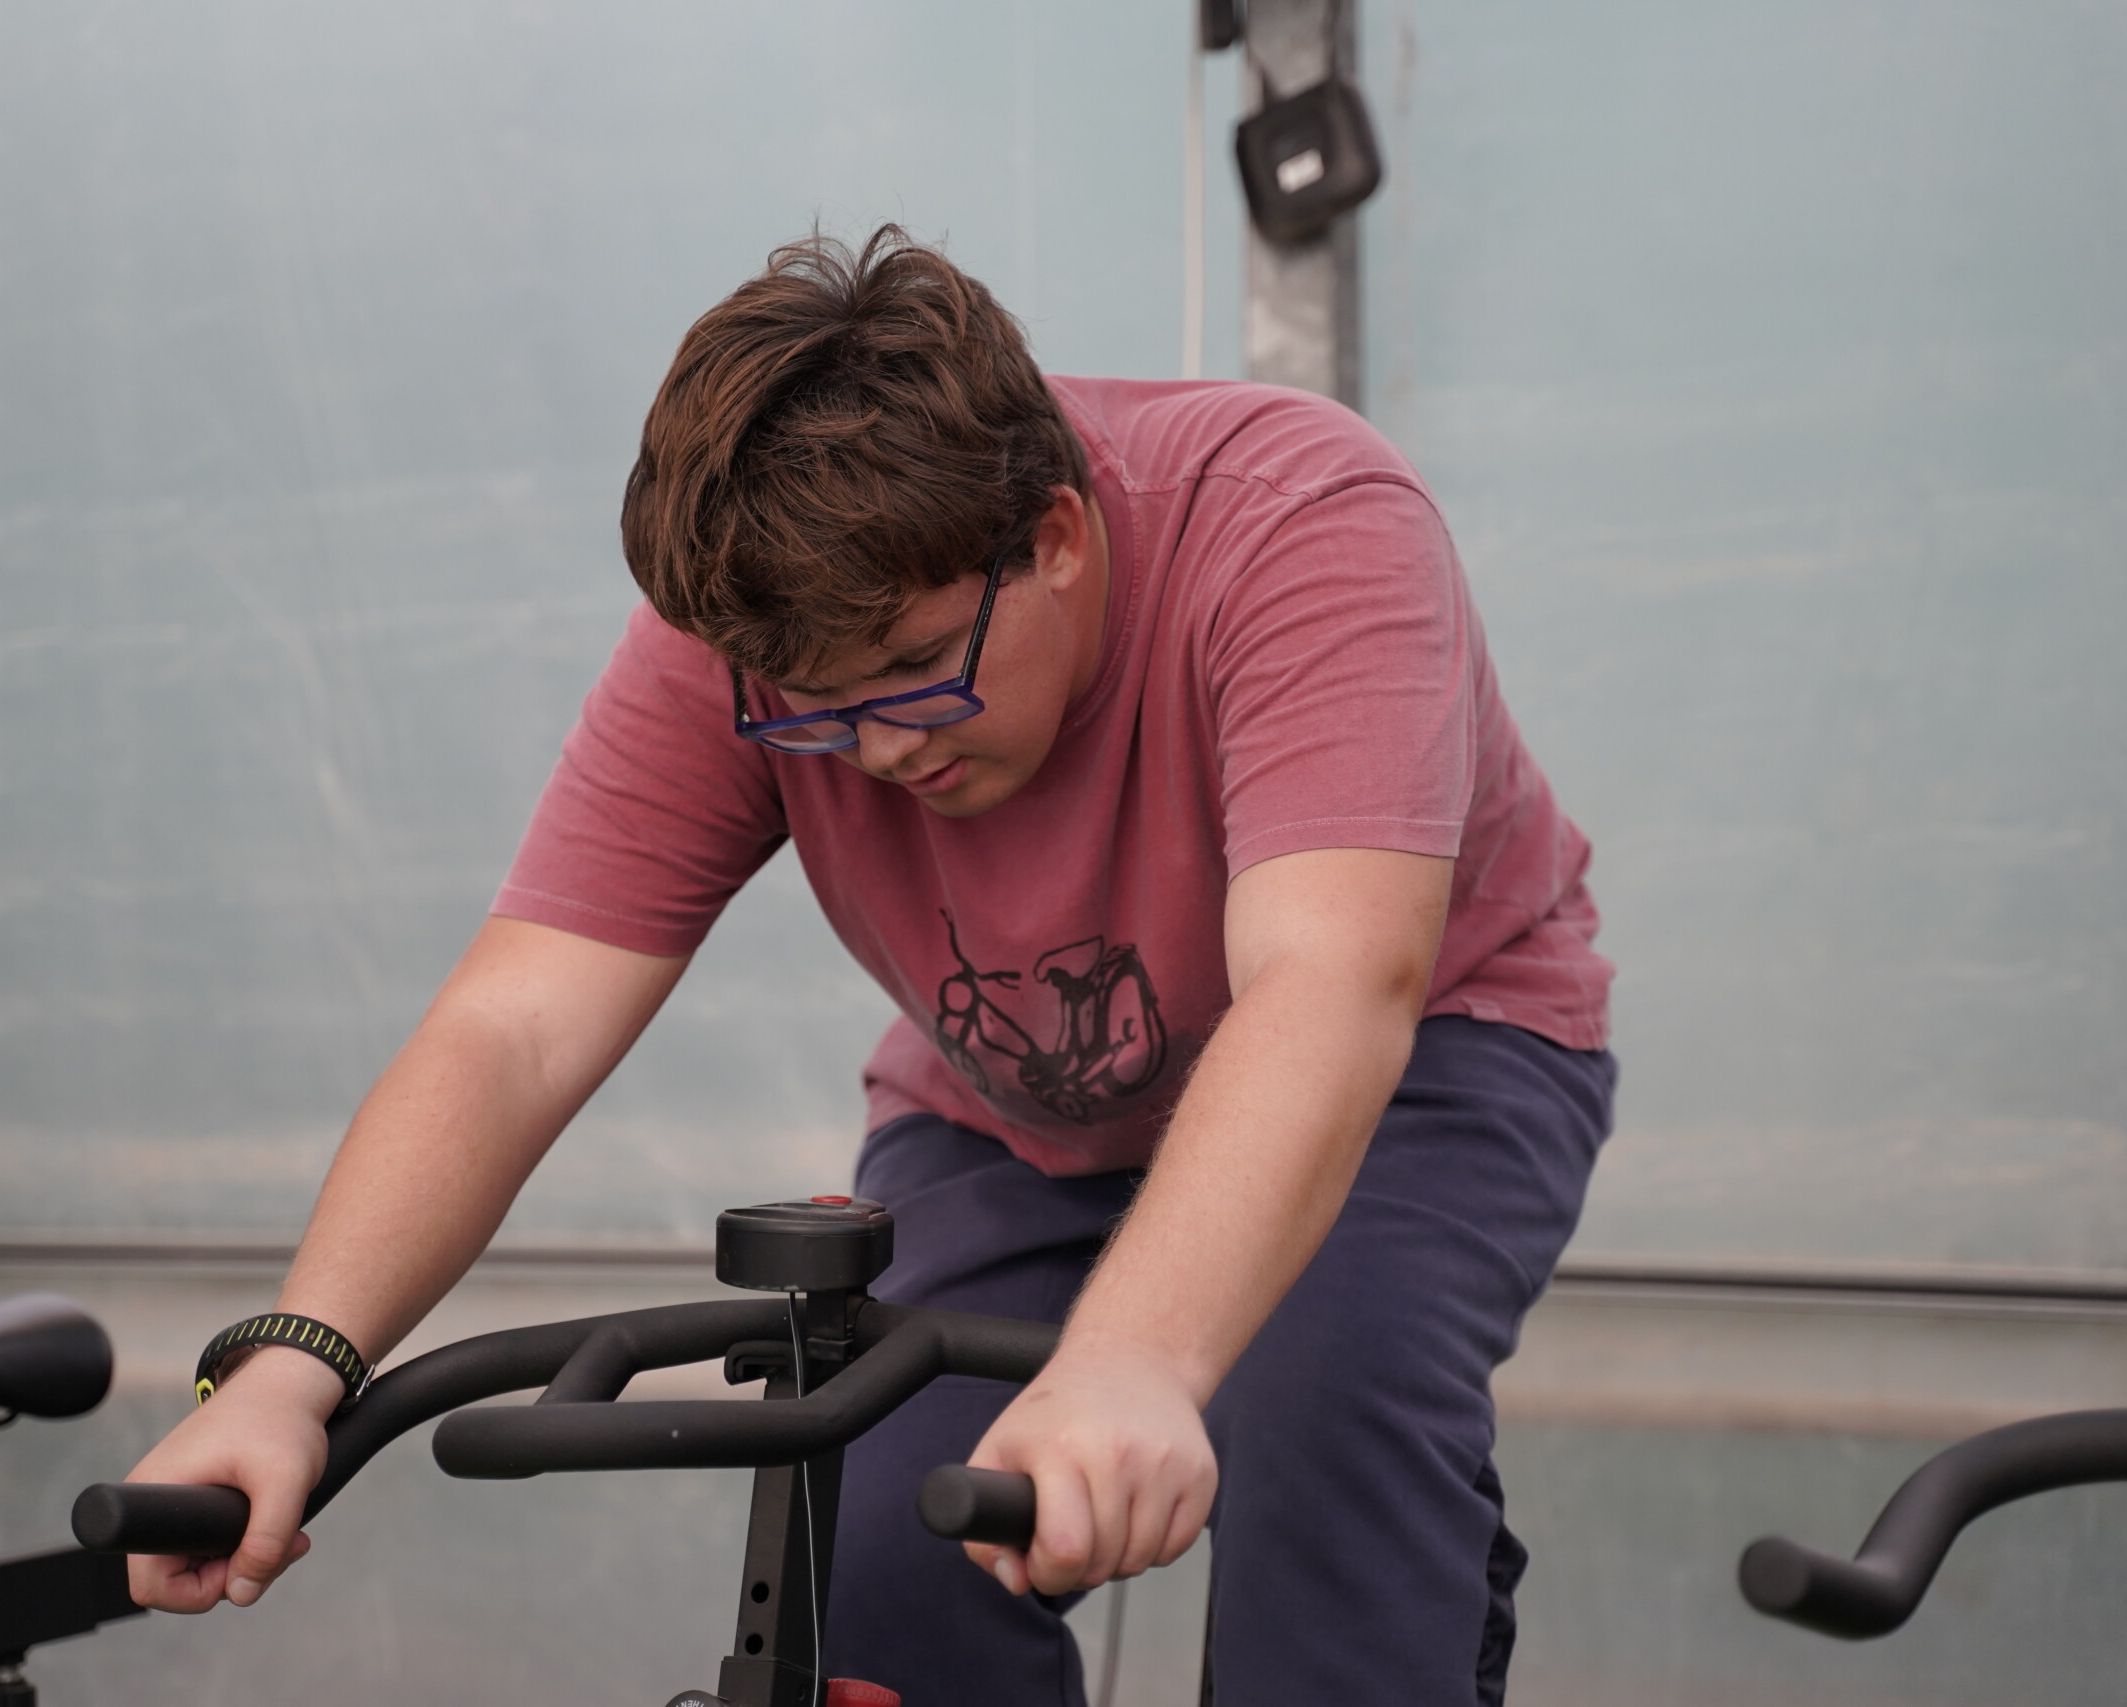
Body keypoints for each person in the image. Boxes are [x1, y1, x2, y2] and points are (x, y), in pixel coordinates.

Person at [124, 226, 1615, 1707]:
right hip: (1010, 1109)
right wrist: (290, 1366)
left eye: (917, 670)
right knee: (881, 1510)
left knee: (1319, 1412)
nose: (883, 746)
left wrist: (1141, 1361)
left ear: (1055, 536)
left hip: (1427, 1057)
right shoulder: (759, 632)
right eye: (814, 710)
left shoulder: (1302, 523)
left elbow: (1328, 988)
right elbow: (518, 1023)